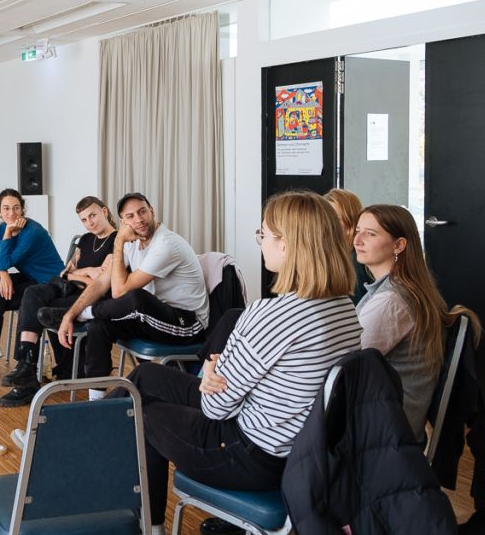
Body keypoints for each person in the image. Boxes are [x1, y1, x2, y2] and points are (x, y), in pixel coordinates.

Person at [111, 190, 363, 535]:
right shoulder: (345, 308)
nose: (260, 243)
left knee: (140, 413)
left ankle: (146, 526)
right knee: (144, 376)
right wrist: (224, 375)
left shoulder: (270, 315)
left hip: (248, 455)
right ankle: (85, 437)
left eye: (263, 234)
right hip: (299, 451)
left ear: (287, 245)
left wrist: (213, 371)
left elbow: (215, 408)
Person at [43, 192, 209, 398]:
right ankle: (96, 402)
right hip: (153, 317)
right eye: (130, 216)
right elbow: (101, 282)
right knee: (98, 326)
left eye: (142, 212)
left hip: (186, 324)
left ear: (152, 211)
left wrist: (119, 240)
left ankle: (85, 314)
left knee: (136, 297)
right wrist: (70, 314)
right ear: (123, 222)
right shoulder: (133, 243)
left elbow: (119, 291)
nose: (139, 219)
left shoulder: (166, 244)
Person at [354, 204, 481, 439]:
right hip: (391, 418)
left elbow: (346, 363)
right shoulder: (404, 288)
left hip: (385, 431)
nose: (357, 240)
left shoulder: (392, 300)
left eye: (370, 234)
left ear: (399, 245)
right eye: (357, 231)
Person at [0, 196, 117, 407]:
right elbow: (65, 272)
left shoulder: (117, 241)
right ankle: (25, 362)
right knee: (32, 293)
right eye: (84, 219)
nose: (90, 223)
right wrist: (86, 272)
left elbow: (100, 282)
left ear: (104, 212)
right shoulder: (85, 240)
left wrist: (79, 273)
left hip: (92, 298)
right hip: (68, 288)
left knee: (42, 311)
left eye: (93, 216)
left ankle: (27, 382)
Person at [0, 188, 63, 382]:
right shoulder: (1, 229)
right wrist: (3, 274)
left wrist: (8, 234)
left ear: (22, 210)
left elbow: (5, 261)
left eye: (16, 208)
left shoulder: (32, 232)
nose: (11, 213)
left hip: (50, 284)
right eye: (6, 208)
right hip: (32, 279)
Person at [324, 187, 372, 303]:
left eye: (336, 219)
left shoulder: (357, 260)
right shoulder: (333, 256)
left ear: (351, 220)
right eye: (324, 218)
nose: (327, 224)